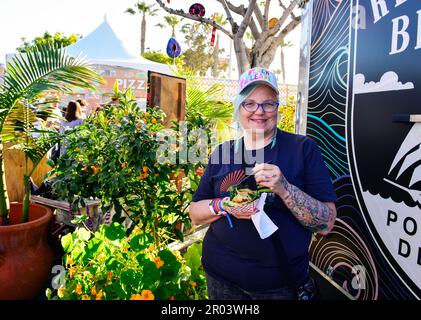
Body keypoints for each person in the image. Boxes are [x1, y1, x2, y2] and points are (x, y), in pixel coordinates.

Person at [189, 67, 337, 300]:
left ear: (277, 108)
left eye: (268, 103)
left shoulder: (302, 149)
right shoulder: (223, 152)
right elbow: (195, 213)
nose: (259, 111)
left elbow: (326, 223)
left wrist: (284, 188)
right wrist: (224, 206)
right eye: (250, 103)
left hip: (278, 285)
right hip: (220, 277)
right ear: (239, 107)